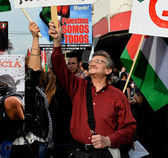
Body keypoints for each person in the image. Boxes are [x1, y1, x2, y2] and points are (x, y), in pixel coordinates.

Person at [48, 20, 136, 158]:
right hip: (77, 152)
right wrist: (57, 42)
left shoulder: (118, 96)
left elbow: (130, 129)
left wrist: (109, 140)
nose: (93, 63)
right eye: (92, 61)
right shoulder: (78, 87)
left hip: (104, 153)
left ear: (108, 70)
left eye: (99, 61)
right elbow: (60, 68)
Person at [9, 21, 52, 158]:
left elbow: (34, 73)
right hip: (25, 146)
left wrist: (35, 38)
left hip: (37, 144)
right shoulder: (18, 91)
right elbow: (34, 73)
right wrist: (35, 39)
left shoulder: (34, 90)